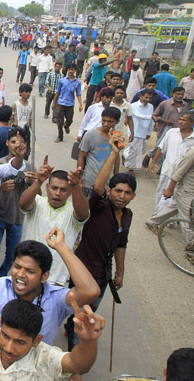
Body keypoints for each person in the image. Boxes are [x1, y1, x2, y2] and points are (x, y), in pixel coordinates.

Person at [0, 232, 100, 346]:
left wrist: (61, 246)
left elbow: (90, 291)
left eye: (30, 271)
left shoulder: (57, 299)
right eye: (17, 267)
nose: (20, 275)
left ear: (44, 276)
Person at [66, 133, 135, 350]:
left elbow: (121, 244)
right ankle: (75, 353)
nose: (122, 196)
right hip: (83, 269)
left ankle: (72, 332)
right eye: (118, 191)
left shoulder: (127, 215)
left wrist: (120, 272)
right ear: (109, 191)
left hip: (103, 274)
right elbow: (96, 186)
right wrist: (114, 153)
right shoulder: (99, 206)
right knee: (78, 311)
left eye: (127, 193)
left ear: (133, 196)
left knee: (89, 310)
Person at [0, 298, 105, 380]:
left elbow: (79, 365)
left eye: (20, 342)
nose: (8, 348)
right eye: (5, 336)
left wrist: (88, 341)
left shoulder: (45, 358)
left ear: (36, 341)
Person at [20, 158, 89, 285]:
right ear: (47, 187)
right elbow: (23, 204)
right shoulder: (38, 202)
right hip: (27, 273)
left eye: (64, 190)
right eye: (54, 188)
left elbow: (83, 214)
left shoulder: (72, 209)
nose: (57, 193)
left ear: (70, 192)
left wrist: (76, 186)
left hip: (57, 280)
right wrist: (38, 181)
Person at [0, 128, 36, 279]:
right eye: (14, 142)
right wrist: (0, 188)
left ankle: (3, 275)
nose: (17, 145)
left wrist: (34, 183)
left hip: (18, 218)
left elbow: (38, 196)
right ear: (7, 143)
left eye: (21, 142)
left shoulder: (29, 167)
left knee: (12, 255)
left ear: (26, 145)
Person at [146, 144, 194, 264]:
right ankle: (192, 253)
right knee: (190, 222)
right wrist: (169, 189)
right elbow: (179, 171)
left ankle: (153, 221)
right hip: (187, 190)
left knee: (175, 206)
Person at [148, 112, 194, 215]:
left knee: (177, 198)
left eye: (184, 120)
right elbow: (161, 148)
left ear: (192, 122)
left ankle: (171, 220)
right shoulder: (171, 132)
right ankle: (158, 217)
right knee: (162, 195)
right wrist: (153, 162)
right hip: (167, 170)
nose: (181, 122)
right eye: (180, 119)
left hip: (184, 175)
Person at [77, 106, 120, 196]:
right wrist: (80, 180)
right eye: (103, 120)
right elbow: (81, 156)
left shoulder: (117, 137)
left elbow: (116, 158)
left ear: (117, 121)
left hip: (107, 184)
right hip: (89, 183)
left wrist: (117, 180)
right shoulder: (90, 135)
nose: (105, 124)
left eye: (110, 121)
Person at [123, 89, 154, 176]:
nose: (147, 100)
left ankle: (125, 155)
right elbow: (137, 115)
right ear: (141, 96)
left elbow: (151, 121)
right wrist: (151, 117)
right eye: (146, 97)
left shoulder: (150, 106)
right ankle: (130, 168)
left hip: (144, 132)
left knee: (142, 150)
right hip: (135, 131)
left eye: (150, 98)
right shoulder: (133, 106)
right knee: (134, 151)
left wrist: (149, 131)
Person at [53, 65, 84, 143]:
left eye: (72, 69)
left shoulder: (77, 82)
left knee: (69, 120)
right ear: (67, 70)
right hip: (61, 103)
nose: (70, 71)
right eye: (69, 69)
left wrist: (80, 104)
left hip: (70, 104)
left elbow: (78, 93)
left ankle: (66, 126)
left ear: (75, 71)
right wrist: (54, 102)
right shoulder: (62, 81)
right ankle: (60, 137)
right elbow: (58, 92)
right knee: (59, 121)